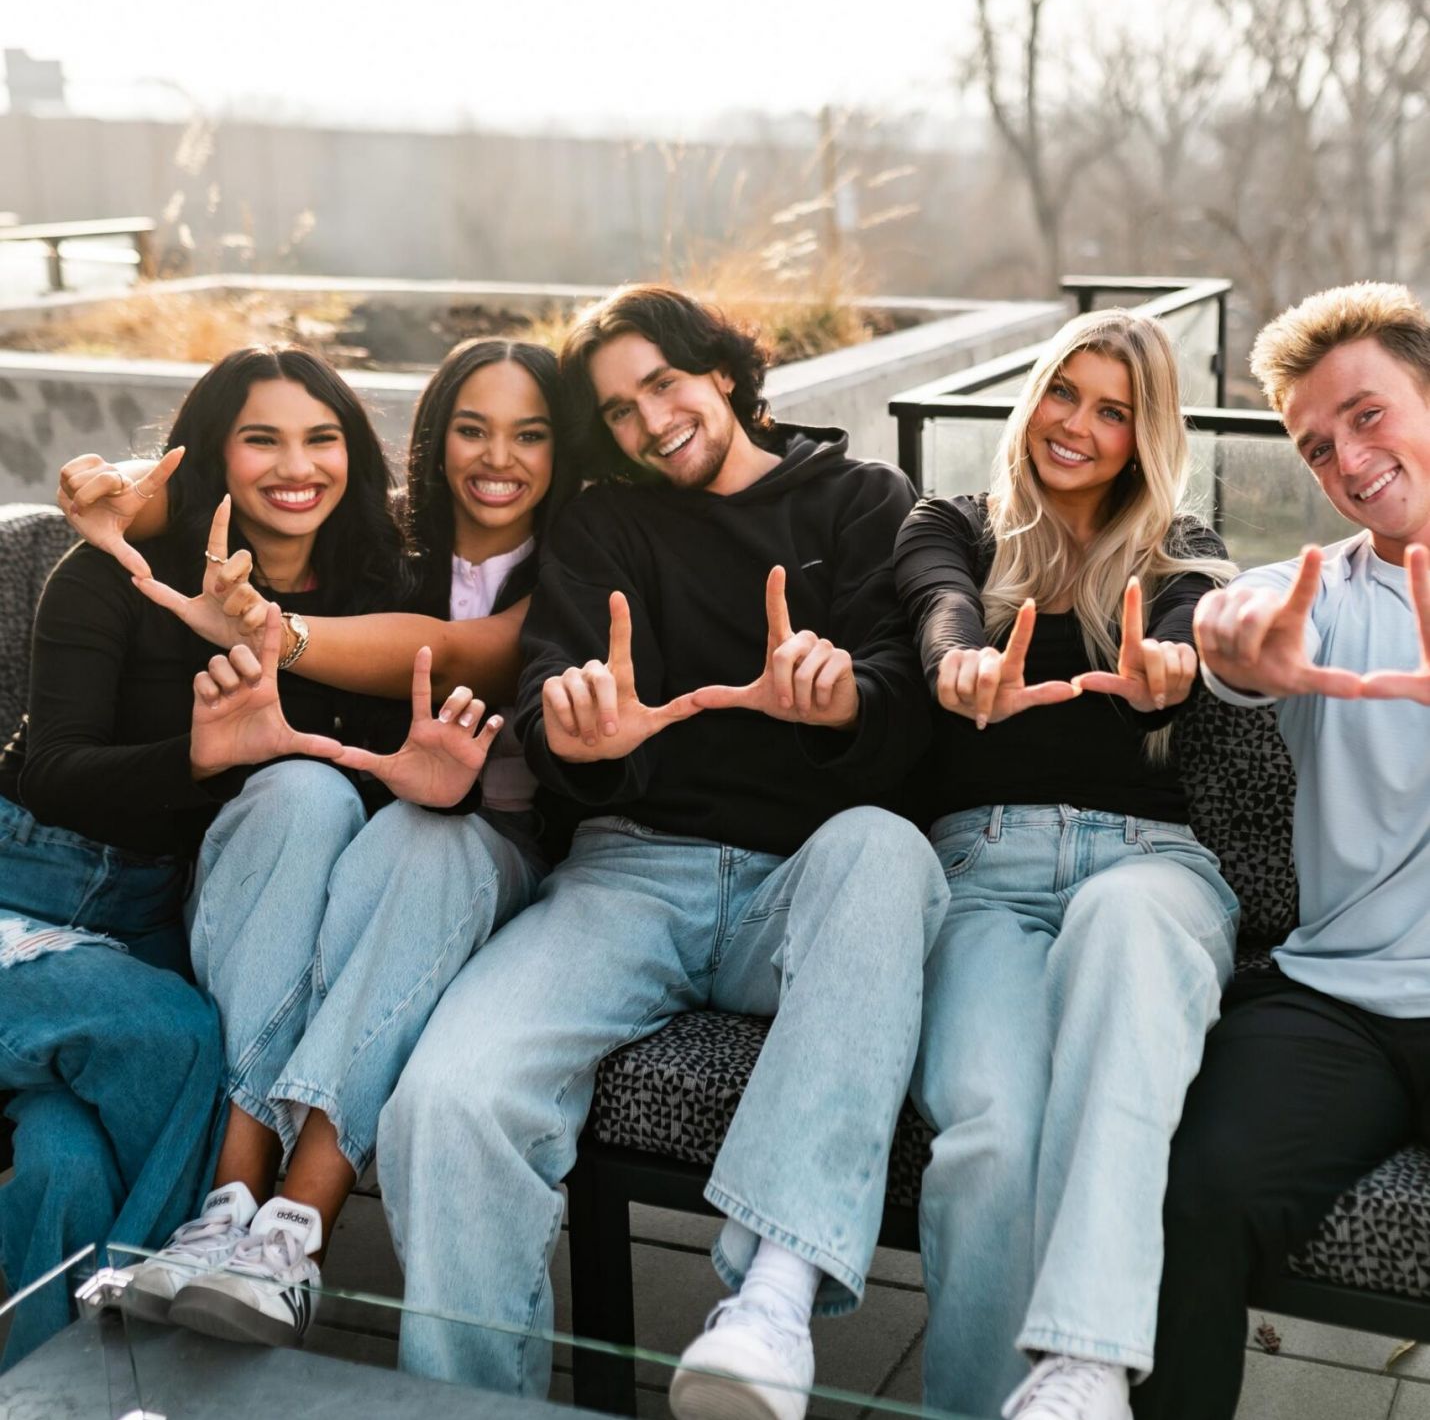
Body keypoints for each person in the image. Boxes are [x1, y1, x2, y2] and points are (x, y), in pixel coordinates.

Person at [376, 285, 948, 1420]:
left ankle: (768, 1306)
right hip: (629, 871)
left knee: (886, 850)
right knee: (445, 1098)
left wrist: (843, 702)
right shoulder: (602, 524)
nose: (649, 422)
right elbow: (548, 694)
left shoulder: (857, 497)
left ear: (721, 373)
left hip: (809, 878)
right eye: (619, 411)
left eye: (663, 385)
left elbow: (911, 699)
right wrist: (582, 734)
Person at [79, 340, 580, 1347]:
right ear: (433, 441)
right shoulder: (387, 547)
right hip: (372, 822)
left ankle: (296, 1229)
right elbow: (203, 497)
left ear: (562, 449)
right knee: (317, 799)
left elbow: (478, 651)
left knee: (427, 843)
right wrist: (120, 494)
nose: (499, 457)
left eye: (531, 433)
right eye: (473, 428)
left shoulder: (583, 550)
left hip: (501, 848)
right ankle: (228, 1214)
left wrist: (268, 628)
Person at [0, 342, 409, 1369]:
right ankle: (150, 1322)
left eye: (321, 437)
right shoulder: (114, 572)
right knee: (179, 1039)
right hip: (26, 876)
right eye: (260, 438)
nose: (295, 464)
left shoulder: (365, 596)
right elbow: (43, 764)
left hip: (152, 921)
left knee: (61, 1162)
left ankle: (67, 1386)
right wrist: (194, 755)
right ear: (212, 455)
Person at [894, 310, 1241, 1420]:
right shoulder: (949, 522)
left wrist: (1171, 669)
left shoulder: (1182, 550)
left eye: (1112, 411)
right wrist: (958, 662)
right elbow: (937, 606)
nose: (1077, 427)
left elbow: (1189, 630)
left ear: (1145, 436)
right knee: (990, 1133)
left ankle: (1085, 1360)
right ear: (1030, 394)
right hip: (983, 870)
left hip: (1150, 866)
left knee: (1120, 929)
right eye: (1064, 393)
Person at [1133, 283, 1430, 1420]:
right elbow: (1234, 625)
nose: (1346, 460)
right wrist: (1231, 640)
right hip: (1336, 1004)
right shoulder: (1314, 600)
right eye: (1316, 445)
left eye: (1365, 416)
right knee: (1192, 1188)